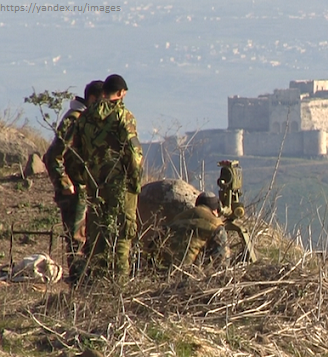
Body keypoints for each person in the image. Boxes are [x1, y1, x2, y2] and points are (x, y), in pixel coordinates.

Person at [72, 74, 143, 282]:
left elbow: (75, 153)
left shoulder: (84, 117)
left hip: (95, 186)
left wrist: (81, 180)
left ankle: (97, 287)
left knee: (97, 237)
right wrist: (135, 181)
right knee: (122, 236)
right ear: (121, 93)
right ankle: (118, 288)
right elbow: (133, 152)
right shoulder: (123, 116)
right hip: (119, 185)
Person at [43, 80, 104, 261]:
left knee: (86, 238)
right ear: (92, 99)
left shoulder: (85, 120)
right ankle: (77, 282)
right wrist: (64, 184)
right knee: (77, 240)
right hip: (74, 191)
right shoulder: (75, 119)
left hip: (84, 188)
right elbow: (53, 155)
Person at [159, 192, 231, 267]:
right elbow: (222, 261)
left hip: (163, 268)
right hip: (190, 272)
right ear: (216, 209)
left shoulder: (178, 218)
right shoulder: (215, 224)